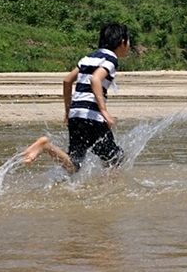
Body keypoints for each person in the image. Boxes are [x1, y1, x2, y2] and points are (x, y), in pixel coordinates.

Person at [22, 22, 130, 174]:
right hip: (92, 117)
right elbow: (95, 79)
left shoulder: (88, 57)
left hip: (76, 115)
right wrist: (104, 110)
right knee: (116, 158)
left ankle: (46, 147)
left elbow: (67, 81)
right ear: (122, 41)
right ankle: (108, 191)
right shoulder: (111, 59)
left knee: (74, 165)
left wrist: (68, 111)